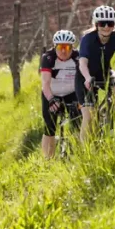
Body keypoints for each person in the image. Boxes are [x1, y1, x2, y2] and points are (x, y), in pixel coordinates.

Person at [76, 5, 115, 142]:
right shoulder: (88, 39)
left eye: (110, 23)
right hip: (84, 76)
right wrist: (87, 78)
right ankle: (85, 151)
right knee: (89, 116)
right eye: (101, 23)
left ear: (114, 24)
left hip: (104, 73)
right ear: (96, 24)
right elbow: (82, 63)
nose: (106, 27)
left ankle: (111, 113)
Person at [39, 29, 82, 158]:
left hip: (71, 92)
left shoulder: (78, 57)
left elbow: (83, 78)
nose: (64, 51)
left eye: (67, 47)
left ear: (72, 47)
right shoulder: (48, 58)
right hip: (52, 94)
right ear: (54, 46)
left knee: (78, 125)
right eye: (60, 47)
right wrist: (51, 99)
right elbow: (45, 84)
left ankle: (79, 155)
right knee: (49, 128)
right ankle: (48, 160)